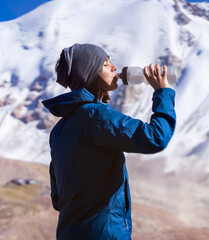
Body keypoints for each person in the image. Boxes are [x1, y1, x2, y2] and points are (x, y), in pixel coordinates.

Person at [42, 43, 176, 240]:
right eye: (105, 64)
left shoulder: (59, 131)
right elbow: (155, 138)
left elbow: (58, 199)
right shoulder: (95, 115)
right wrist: (162, 92)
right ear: (89, 72)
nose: (114, 68)